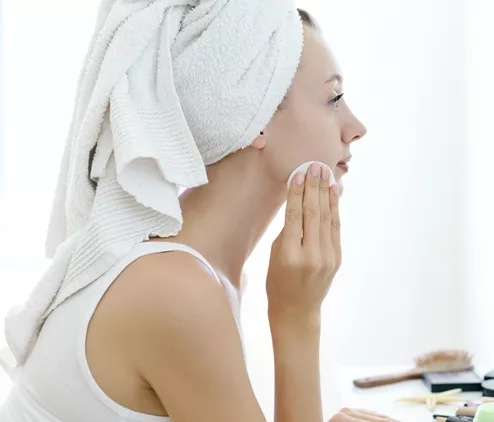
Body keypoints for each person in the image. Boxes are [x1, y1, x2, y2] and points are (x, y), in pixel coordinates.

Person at [0, 3, 398, 422]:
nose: (356, 126)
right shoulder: (175, 289)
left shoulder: (199, 271)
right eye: (333, 98)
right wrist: (297, 317)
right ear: (255, 116)